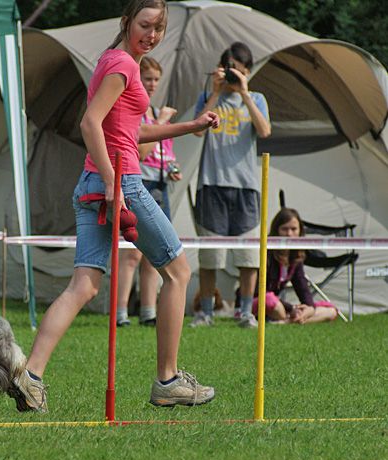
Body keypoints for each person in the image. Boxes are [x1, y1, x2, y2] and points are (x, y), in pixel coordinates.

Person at [7, 0, 220, 413]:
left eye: (159, 28)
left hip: (94, 181)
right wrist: (113, 183)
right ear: (127, 22)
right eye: (145, 25)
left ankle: (30, 376)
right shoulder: (124, 65)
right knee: (178, 272)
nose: (152, 35)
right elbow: (90, 122)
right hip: (119, 181)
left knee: (83, 285)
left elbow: (131, 130)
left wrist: (190, 126)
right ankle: (168, 380)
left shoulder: (113, 60)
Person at [190, 41, 271, 329]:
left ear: (248, 71)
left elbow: (264, 131)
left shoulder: (257, 99)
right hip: (212, 184)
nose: (233, 75)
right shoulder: (209, 97)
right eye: (229, 69)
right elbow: (197, 131)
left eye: (238, 70)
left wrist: (245, 93)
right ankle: (206, 312)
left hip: (246, 187)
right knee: (210, 255)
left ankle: (244, 312)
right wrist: (215, 92)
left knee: (248, 256)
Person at [116, 56, 181, 327]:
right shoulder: (141, 114)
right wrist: (162, 123)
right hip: (140, 183)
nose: (153, 84)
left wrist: (173, 168)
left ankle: (148, 311)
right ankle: (120, 313)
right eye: (148, 79)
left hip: (160, 185)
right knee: (132, 253)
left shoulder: (153, 111)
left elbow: (164, 151)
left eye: (156, 79)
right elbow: (139, 153)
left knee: (155, 253)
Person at [253, 207, 338, 324]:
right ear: (276, 230)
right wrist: (291, 308)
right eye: (284, 229)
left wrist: (309, 308)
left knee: (331, 310)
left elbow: (302, 287)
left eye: (293, 229)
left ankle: (289, 321)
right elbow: (259, 291)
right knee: (271, 302)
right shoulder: (266, 254)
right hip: (261, 301)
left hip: (282, 306)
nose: (289, 234)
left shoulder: (296, 257)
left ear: (300, 231)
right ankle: (290, 319)